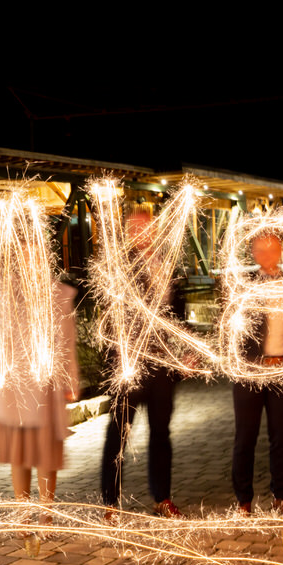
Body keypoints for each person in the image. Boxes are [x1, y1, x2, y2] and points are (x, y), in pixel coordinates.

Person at [101, 208, 185, 519]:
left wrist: (183, 352)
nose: (141, 234)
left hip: (163, 368)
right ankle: (110, 502)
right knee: (118, 435)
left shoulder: (169, 263)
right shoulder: (119, 268)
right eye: (134, 229)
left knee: (161, 434)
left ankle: (162, 498)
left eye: (145, 228)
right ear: (126, 234)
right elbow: (112, 319)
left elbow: (176, 317)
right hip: (130, 368)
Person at [230, 234, 283, 517]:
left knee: (281, 437)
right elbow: (230, 328)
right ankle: (243, 501)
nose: (266, 253)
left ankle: (281, 497)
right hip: (250, 373)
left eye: (271, 248)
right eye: (259, 249)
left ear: (280, 251)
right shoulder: (243, 287)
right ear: (253, 253)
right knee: (246, 437)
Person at [0, 280, 80, 516]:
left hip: (48, 387)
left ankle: (46, 511)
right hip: (18, 388)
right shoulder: (9, 294)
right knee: (19, 452)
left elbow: (68, 343)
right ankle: (23, 511)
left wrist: (71, 380)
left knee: (47, 450)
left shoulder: (59, 296)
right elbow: (2, 343)